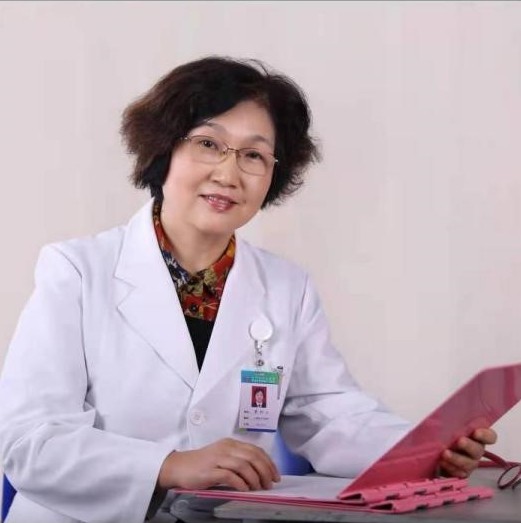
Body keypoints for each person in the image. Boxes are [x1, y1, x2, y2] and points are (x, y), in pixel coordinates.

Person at [0, 56, 496, 523]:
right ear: (163, 149)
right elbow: (29, 440)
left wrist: (426, 448)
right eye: (208, 144)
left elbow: (328, 416)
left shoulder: (286, 287)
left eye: (254, 155)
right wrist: (168, 465)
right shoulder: (77, 270)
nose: (229, 173)